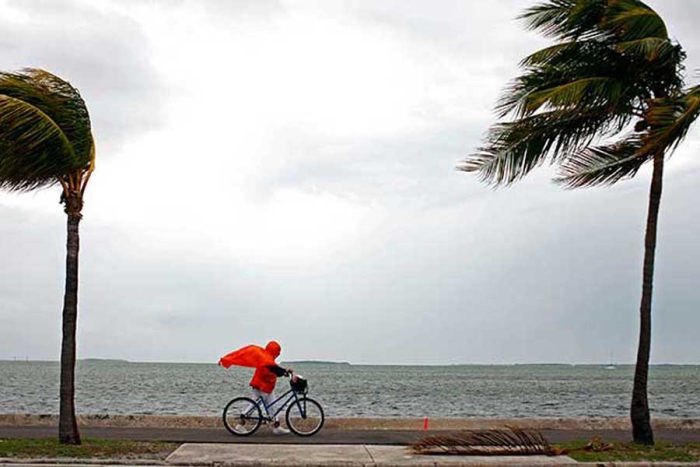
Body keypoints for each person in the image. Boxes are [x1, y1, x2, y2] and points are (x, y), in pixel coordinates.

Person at [236, 340, 292, 435]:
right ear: (274, 351)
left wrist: (283, 373)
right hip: (262, 386)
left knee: (273, 406)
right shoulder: (266, 359)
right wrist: (284, 371)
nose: (278, 355)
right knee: (254, 405)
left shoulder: (267, 358)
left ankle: (276, 426)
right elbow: (274, 369)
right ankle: (240, 424)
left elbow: (273, 369)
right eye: (277, 352)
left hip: (265, 387)